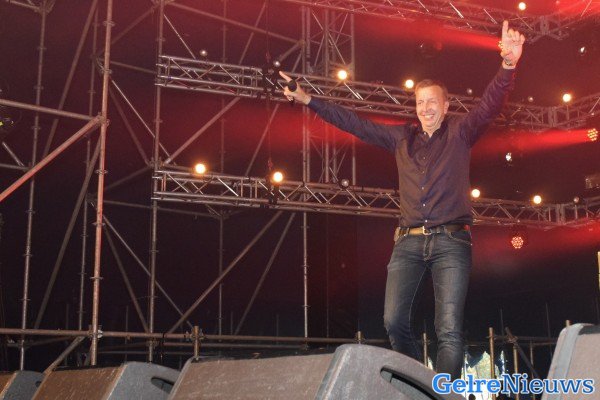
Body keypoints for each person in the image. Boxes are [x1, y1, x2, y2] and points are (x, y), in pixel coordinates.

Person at [280, 21, 525, 380]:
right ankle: (416, 384)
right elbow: (354, 123)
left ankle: (441, 393)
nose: (426, 108)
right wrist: (308, 100)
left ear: (446, 105)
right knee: (393, 322)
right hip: (408, 242)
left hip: (451, 241)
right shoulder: (401, 139)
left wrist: (508, 65)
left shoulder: (460, 132)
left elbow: (490, 104)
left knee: (448, 329)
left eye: (432, 102)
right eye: (420, 102)